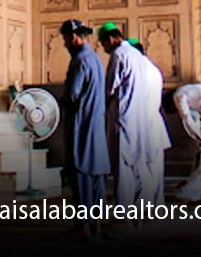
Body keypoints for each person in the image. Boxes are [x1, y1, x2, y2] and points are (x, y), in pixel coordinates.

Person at [60, 19, 109, 238]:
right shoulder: (96, 59)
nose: (65, 44)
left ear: (73, 37)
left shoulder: (79, 60)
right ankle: (97, 224)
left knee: (80, 173)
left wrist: (62, 102)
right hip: (96, 123)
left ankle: (83, 225)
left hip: (82, 123)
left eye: (65, 39)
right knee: (96, 173)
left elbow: (73, 93)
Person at [98, 22, 145, 209]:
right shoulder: (137, 55)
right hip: (139, 118)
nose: (105, 49)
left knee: (122, 169)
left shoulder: (119, 55)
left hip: (123, 118)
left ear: (110, 39)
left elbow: (109, 88)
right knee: (137, 167)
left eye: (104, 45)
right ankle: (139, 211)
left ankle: (123, 213)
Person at [132, 41, 171, 205]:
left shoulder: (137, 69)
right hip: (154, 122)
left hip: (142, 124)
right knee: (155, 168)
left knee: (143, 170)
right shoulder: (153, 69)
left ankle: (144, 207)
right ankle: (155, 206)